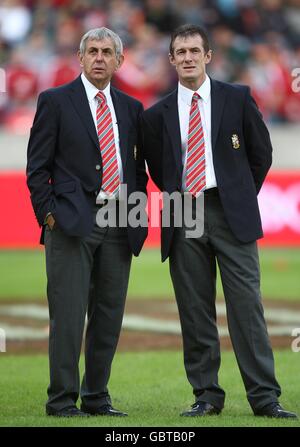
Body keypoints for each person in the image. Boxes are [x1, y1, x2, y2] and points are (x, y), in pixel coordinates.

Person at [142, 24, 297, 419]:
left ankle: (264, 398)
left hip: (232, 214)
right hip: (184, 212)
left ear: (208, 56)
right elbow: (158, 168)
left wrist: (237, 194)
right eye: (181, 51)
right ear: (173, 59)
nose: (189, 57)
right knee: (195, 310)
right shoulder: (157, 113)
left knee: (247, 307)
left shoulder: (238, 98)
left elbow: (260, 154)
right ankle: (207, 396)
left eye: (196, 50)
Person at [27, 27, 148, 417]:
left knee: (109, 316)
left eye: (106, 52)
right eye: (92, 51)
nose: (99, 57)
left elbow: (137, 169)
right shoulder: (55, 101)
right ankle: (61, 400)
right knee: (68, 314)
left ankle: (96, 397)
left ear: (119, 61)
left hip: (119, 220)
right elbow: (37, 168)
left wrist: (137, 214)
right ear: (79, 58)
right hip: (71, 222)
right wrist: (49, 215)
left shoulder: (131, 108)